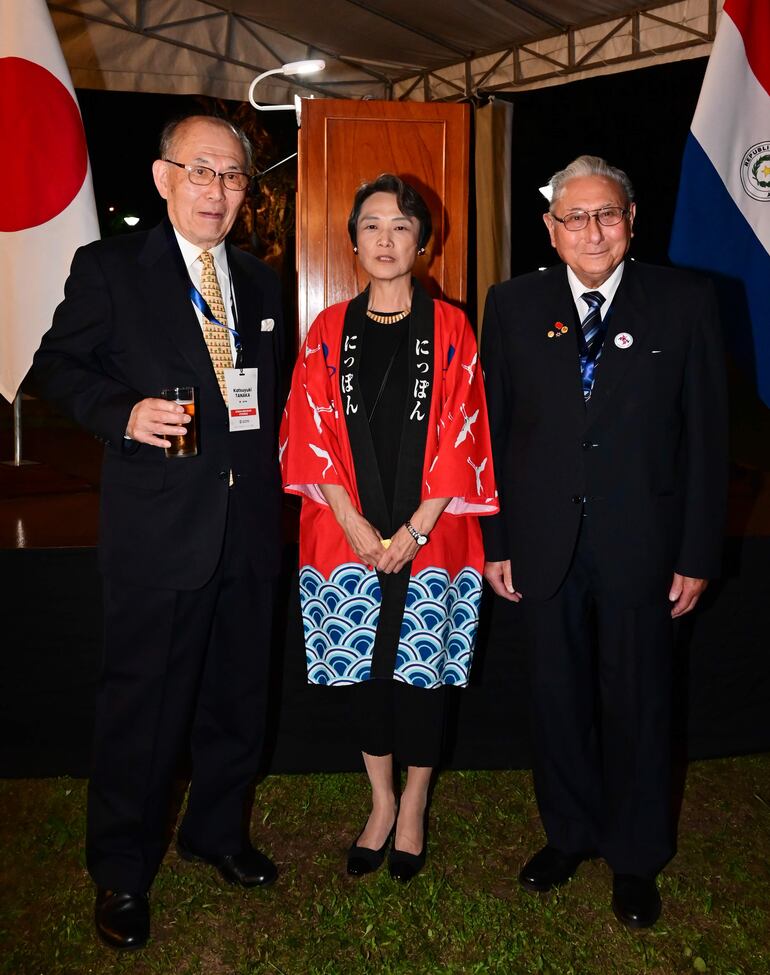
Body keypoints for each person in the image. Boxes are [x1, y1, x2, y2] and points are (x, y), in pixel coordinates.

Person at [33, 115, 285, 950]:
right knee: (141, 707)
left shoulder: (259, 279)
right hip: (157, 527)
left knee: (236, 694)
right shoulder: (110, 269)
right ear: (163, 176)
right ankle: (122, 870)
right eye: (201, 171)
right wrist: (121, 411)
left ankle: (216, 830)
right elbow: (59, 366)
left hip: (248, 526)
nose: (217, 190)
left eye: (233, 176)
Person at [481, 155, 727, 928]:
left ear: (630, 221)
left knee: (640, 702)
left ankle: (636, 854)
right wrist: (497, 540)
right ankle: (569, 835)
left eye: (607, 214)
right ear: (551, 231)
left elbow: (709, 442)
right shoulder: (513, 305)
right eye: (575, 217)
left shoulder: (686, 303)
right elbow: (489, 430)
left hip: (645, 547)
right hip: (543, 544)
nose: (592, 229)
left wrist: (695, 554)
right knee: (556, 701)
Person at [280, 174, 497, 882]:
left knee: (422, 680)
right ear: (351, 240)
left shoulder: (453, 326)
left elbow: (467, 433)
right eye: (371, 225)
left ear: (423, 242)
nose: (384, 239)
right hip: (347, 536)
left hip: (431, 536)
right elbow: (306, 431)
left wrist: (414, 527)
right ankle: (379, 801)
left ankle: (415, 804)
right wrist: (350, 518)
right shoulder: (326, 329)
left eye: (400, 226)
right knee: (366, 679)